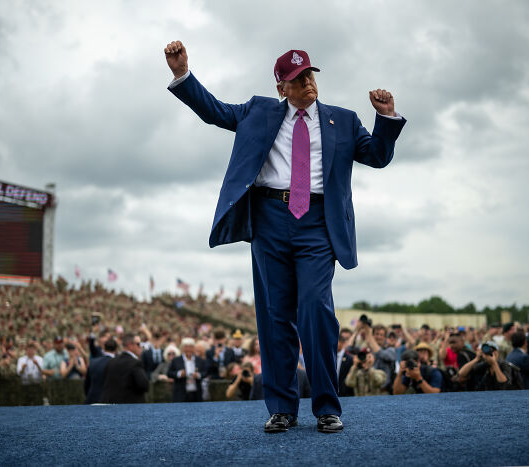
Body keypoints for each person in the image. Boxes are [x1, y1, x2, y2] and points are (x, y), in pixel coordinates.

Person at [165, 41, 405, 434]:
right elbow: (215, 111)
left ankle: (327, 406)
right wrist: (182, 75)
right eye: (297, 78)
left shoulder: (343, 120)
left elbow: (377, 155)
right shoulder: (258, 112)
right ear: (282, 87)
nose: (308, 82)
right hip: (270, 219)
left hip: (318, 222)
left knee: (316, 308)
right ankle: (282, 408)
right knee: (276, 316)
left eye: (310, 74)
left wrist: (387, 117)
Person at [100, 333, 149, 404]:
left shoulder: (112, 362)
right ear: (130, 345)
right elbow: (144, 385)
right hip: (132, 407)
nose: (140, 347)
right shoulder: (135, 363)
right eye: (138, 344)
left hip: (112, 406)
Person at [167, 338, 209, 402]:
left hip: (196, 394)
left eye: (191, 347)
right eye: (186, 347)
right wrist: (179, 374)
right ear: (182, 348)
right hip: (180, 394)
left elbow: (206, 372)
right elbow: (169, 373)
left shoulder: (199, 360)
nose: (188, 349)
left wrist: (198, 375)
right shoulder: (176, 360)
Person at [84, 338, 117, 404]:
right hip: (109, 402)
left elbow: (86, 384)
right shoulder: (117, 363)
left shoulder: (93, 362)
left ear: (104, 348)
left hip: (92, 400)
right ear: (116, 349)